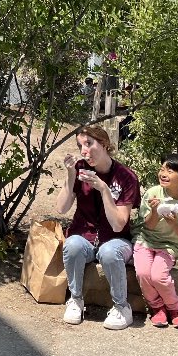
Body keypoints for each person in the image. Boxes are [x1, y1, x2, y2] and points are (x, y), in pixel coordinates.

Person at [57, 125, 141, 330]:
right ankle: (76, 300)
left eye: (89, 144)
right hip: (84, 236)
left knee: (109, 251)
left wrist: (103, 189)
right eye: (80, 146)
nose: (84, 151)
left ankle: (122, 307)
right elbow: (61, 208)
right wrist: (70, 175)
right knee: (73, 244)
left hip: (115, 239)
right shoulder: (79, 169)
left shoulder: (126, 177)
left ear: (103, 144)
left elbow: (118, 223)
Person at [132, 154, 178, 329]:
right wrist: (155, 211)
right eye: (162, 169)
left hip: (171, 246)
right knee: (143, 273)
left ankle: (175, 309)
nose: (163, 173)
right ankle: (156, 307)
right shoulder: (153, 193)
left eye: (170, 171)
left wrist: (174, 223)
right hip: (146, 241)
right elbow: (148, 226)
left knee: (159, 275)